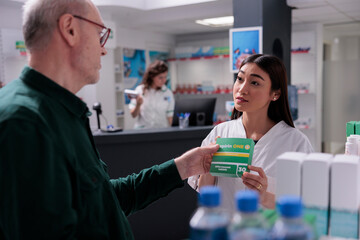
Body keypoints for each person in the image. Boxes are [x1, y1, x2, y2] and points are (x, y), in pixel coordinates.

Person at [0, 0, 220, 239]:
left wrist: (183, 167)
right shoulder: (23, 122)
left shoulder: (63, 112)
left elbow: (103, 203)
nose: (104, 49)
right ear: (69, 29)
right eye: (100, 35)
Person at [188, 54, 313, 210]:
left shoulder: (296, 142)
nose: (242, 89)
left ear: (275, 94)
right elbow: (205, 192)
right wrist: (208, 169)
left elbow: (307, 205)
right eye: (240, 79)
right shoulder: (220, 133)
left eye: (254, 82)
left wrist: (264, 197)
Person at [128, 60, 175, 129]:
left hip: (161, 131)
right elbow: (133, 115)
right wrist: (138, 104)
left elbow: (170, 116)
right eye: (160, 77)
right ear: (152, 76)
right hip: (143, 131)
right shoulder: (140, 90)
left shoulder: (168, 93)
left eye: (165, 77)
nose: (164, 80)